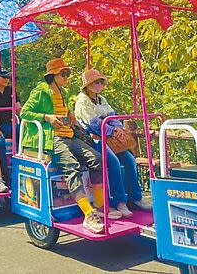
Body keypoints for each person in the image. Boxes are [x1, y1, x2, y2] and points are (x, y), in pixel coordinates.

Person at [20, 58, 105, 234]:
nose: (67, 77)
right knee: (71, 167)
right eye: (63, 74)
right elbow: (24, 113)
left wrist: (71, 114)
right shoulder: (40, 92)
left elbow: (63, 112)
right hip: (52, 138)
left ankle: (99, 206)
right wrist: (47, 117)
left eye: (68, 73)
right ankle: (89, 215)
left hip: (69, 135)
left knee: (97, 159)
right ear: (52, 76)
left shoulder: (64, 92)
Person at [74, 68, 151, 219]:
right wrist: (111, 129)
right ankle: (120, 201)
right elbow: (93, 124)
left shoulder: (101, 99)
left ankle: (136, 197)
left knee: (129, 159)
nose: (98, 85)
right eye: (94, 82)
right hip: (92, 138)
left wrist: (117, 128)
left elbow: (113, 116)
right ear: (87, 85)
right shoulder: (82, 101)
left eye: (100, 82)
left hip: (108, 136)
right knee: (114, 162)